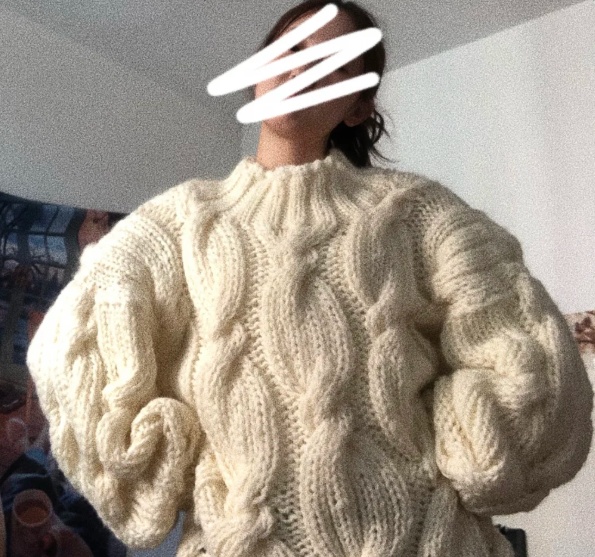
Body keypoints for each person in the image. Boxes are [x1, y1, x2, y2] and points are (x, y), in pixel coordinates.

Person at [26, 1, 593, 556]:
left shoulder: (420, 214)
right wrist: (159, 452)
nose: (303, 68)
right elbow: (69, 350)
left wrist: (465, 441)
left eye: (336, 64)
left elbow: (534, 364)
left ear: (357, 108)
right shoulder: (174, 225)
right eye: (291, 48)